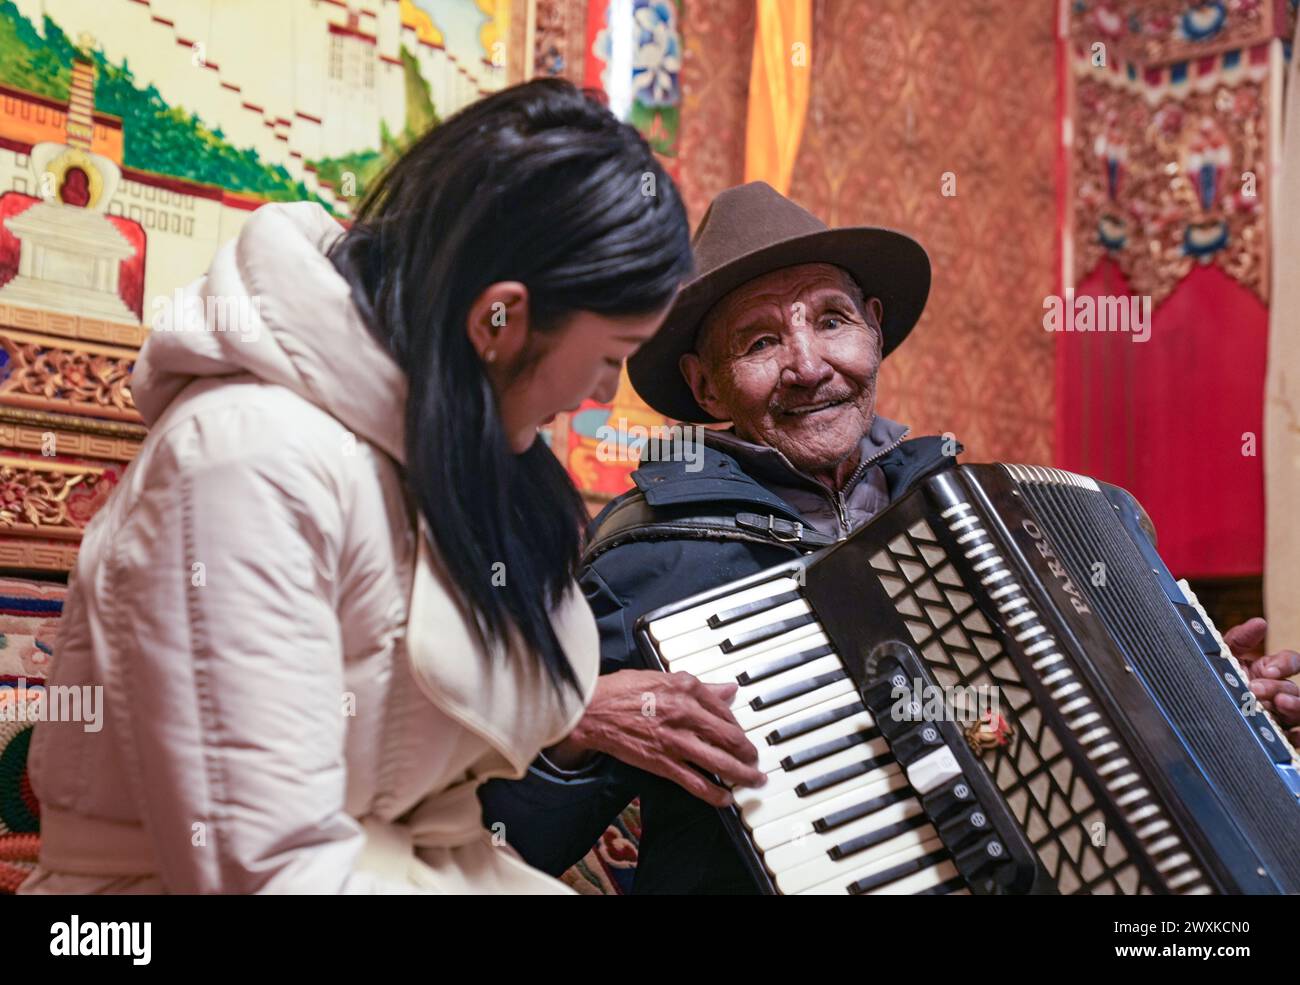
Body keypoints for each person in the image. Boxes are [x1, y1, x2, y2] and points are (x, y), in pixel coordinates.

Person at [479, 180, 1300, 894]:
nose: (808, 364)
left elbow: (1052, 737)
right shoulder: (645, 565)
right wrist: (576, 723)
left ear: (873, 331)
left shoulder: (983, 516)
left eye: (831, 321)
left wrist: (1215, 717)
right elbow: (510, 841)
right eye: (761, 341)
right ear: (705, 384)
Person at [20, 79, 691, 894]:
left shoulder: (455, 451)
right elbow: (269, 871)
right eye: (612, 355)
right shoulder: (242, 461)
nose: (597, 395)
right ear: (499, 320)